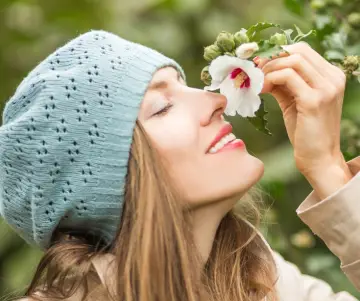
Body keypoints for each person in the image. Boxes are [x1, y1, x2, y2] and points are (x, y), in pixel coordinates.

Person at [0, 29, 359, 301]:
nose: (218, 99)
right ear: (109, 184)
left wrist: (327, 168)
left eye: (184, 86)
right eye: (162, 107)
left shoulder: (262, 279)